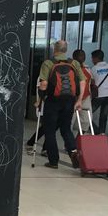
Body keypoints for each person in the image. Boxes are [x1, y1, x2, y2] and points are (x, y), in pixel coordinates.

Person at [38, 40, 85, 169]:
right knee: (66, 128)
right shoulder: (74, 63)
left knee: (50, 130)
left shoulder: (48, 63)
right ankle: (73, 152)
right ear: (66, 50)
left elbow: (44, 84)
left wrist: (40, 99)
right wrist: (79, 99)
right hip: (69, 101)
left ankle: (53, 161)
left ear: (55, 49)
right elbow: (82, 82)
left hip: (53, 100)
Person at [71, 49, 93, 134]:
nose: (82, 57)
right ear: (74, 57)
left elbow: (91, 81)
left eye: (83, 55)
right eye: (80, 55)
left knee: (87, 120)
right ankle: (69, 144)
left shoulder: (87, 68)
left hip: (86, 97)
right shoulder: (71, 67)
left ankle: (77, 141)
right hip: (73, 97)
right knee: (70, 121)